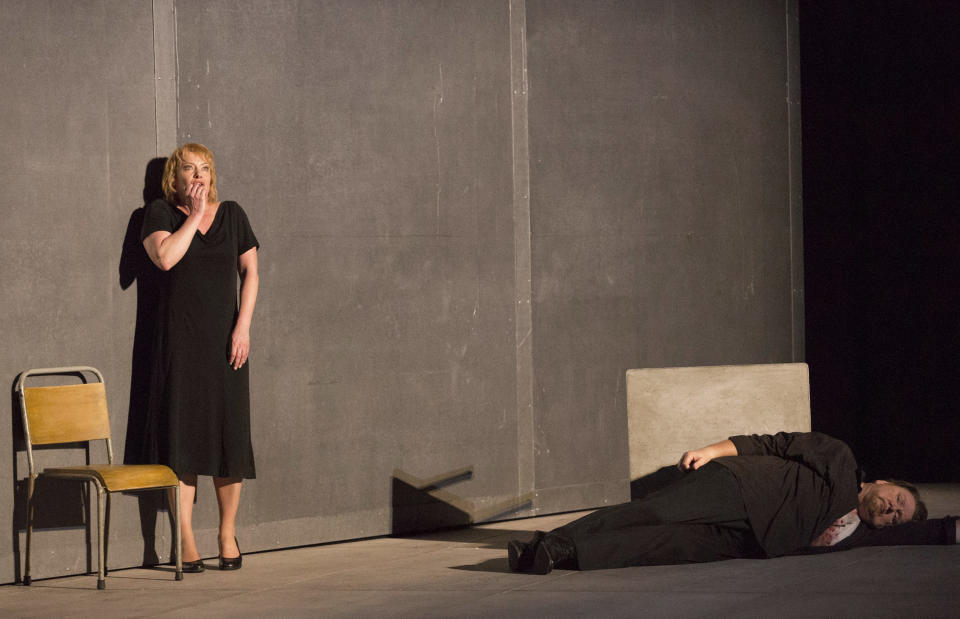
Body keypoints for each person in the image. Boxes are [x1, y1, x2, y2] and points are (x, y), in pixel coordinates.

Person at [508, 431, 957, 574]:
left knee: (655, 547)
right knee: (651, 512)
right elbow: (773, 442)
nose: (893, 510)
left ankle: (558, 551)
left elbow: (934, 530)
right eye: (897, 499)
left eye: (898, 515)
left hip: (746, 541)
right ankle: (545, 544)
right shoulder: (840, 460)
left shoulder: (858, 536)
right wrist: (713, 451)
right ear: (881, 482)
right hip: (740, 489)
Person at [128, 143, 260, 573]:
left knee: (228, 438)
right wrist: (194, 215)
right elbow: (164, 258)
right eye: (189, 169)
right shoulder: (158, 214)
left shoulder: (234, 215)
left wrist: (243, 327)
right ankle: (184, 537)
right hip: (179, 347)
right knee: (181, 440)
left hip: (226, 346)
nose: (198, 176)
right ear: (175, 176)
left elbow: (251, 273)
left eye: (204, 169)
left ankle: (226, 533)